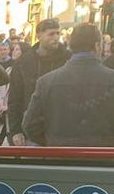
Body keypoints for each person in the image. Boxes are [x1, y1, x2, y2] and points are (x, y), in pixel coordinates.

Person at [23, 23, 114, 147]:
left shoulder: (46, 81)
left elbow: (30, 126)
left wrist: (52, 141)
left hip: (59, 158)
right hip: (103, 158)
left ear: (71, 45)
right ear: (97, 46)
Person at [7, 18, 70, 146]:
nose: (56, 37)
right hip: (31, 132)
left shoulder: (69, 59)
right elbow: (15, 99)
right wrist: (16, 131)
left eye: (58, 33)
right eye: (51, 34)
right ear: (39, 36)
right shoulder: (24, 62)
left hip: (62, 131)